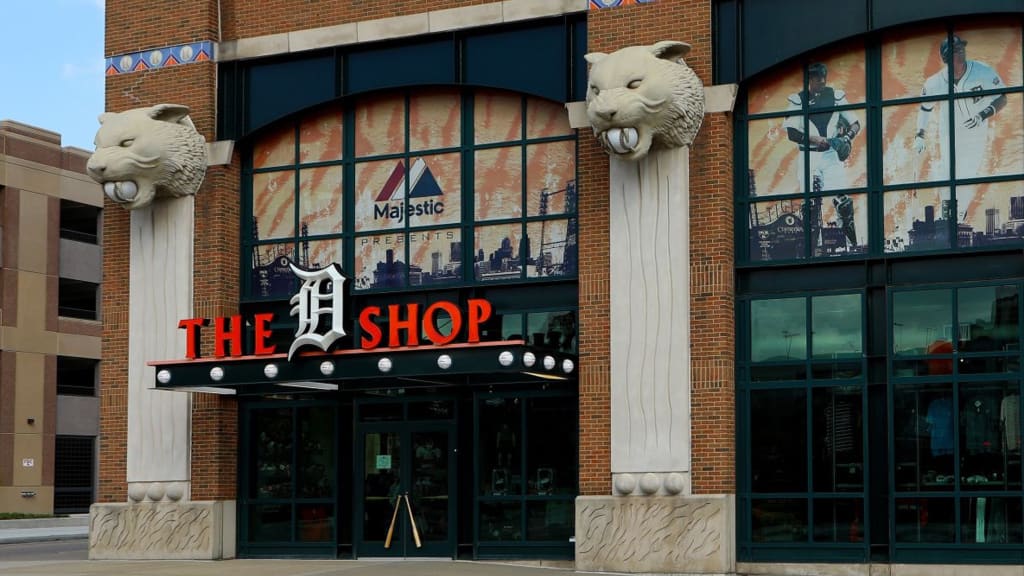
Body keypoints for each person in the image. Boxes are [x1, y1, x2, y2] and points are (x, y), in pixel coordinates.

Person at [914, 35, 1007, 220]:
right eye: (957, 50)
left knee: (967, 175)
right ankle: (947, 218)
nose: (962, 51)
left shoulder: (982, 71)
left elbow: (1003, 96)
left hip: (976, 135)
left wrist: (984, 114)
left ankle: (959, 217)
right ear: (947, 57)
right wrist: (920, 135)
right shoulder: (935, 82)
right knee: (946, 173)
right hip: (949, 134)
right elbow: (925, 108)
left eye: (962, 48)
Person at [784, 62, 862, 193]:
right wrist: (815, 139)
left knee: (842, 202)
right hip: (808, 156)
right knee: (810, 206)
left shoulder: (836, 96)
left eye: (824, 77)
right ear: (810, 79)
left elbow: (855, 124)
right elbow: (791, 133)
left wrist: (846, 139)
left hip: (831, 155)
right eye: (818, 78)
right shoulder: (798, 100)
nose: (822, 81)